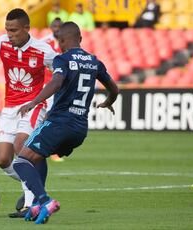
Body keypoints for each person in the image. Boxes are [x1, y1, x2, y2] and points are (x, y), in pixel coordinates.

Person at [12, 22, 119, 224]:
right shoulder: (94, 61)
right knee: (38, 156)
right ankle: (36, 204)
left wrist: (34, 101)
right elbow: (114, 89)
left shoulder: (63, 59)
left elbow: (57, 82)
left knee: (21, 160)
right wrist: (108, 102)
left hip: (59, 123)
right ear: (80, 38)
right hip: (79, 130)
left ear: (60, 41)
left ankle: (45, 200)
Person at [0, 8, 57, 218]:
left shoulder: (44, 50)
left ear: (26, 28)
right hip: (10, 107)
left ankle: (31, 202)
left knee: (20, 146)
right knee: (3, 160)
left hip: (33, 106)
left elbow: (61, 74)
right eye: (7, 30)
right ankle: (34, 186)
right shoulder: (1, 43)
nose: (9, 35)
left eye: (14, 30)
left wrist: (49, 103)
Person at [41, 17, 64, 162]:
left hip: (62, 87)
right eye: (54, 26)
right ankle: (47, 148)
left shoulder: (66, 43)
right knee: (48, 117)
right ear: (50, 27)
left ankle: (52, 148)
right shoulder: (44, 43)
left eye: (59, 26)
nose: (56, 28)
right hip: (48, 86)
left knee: (57, 118)